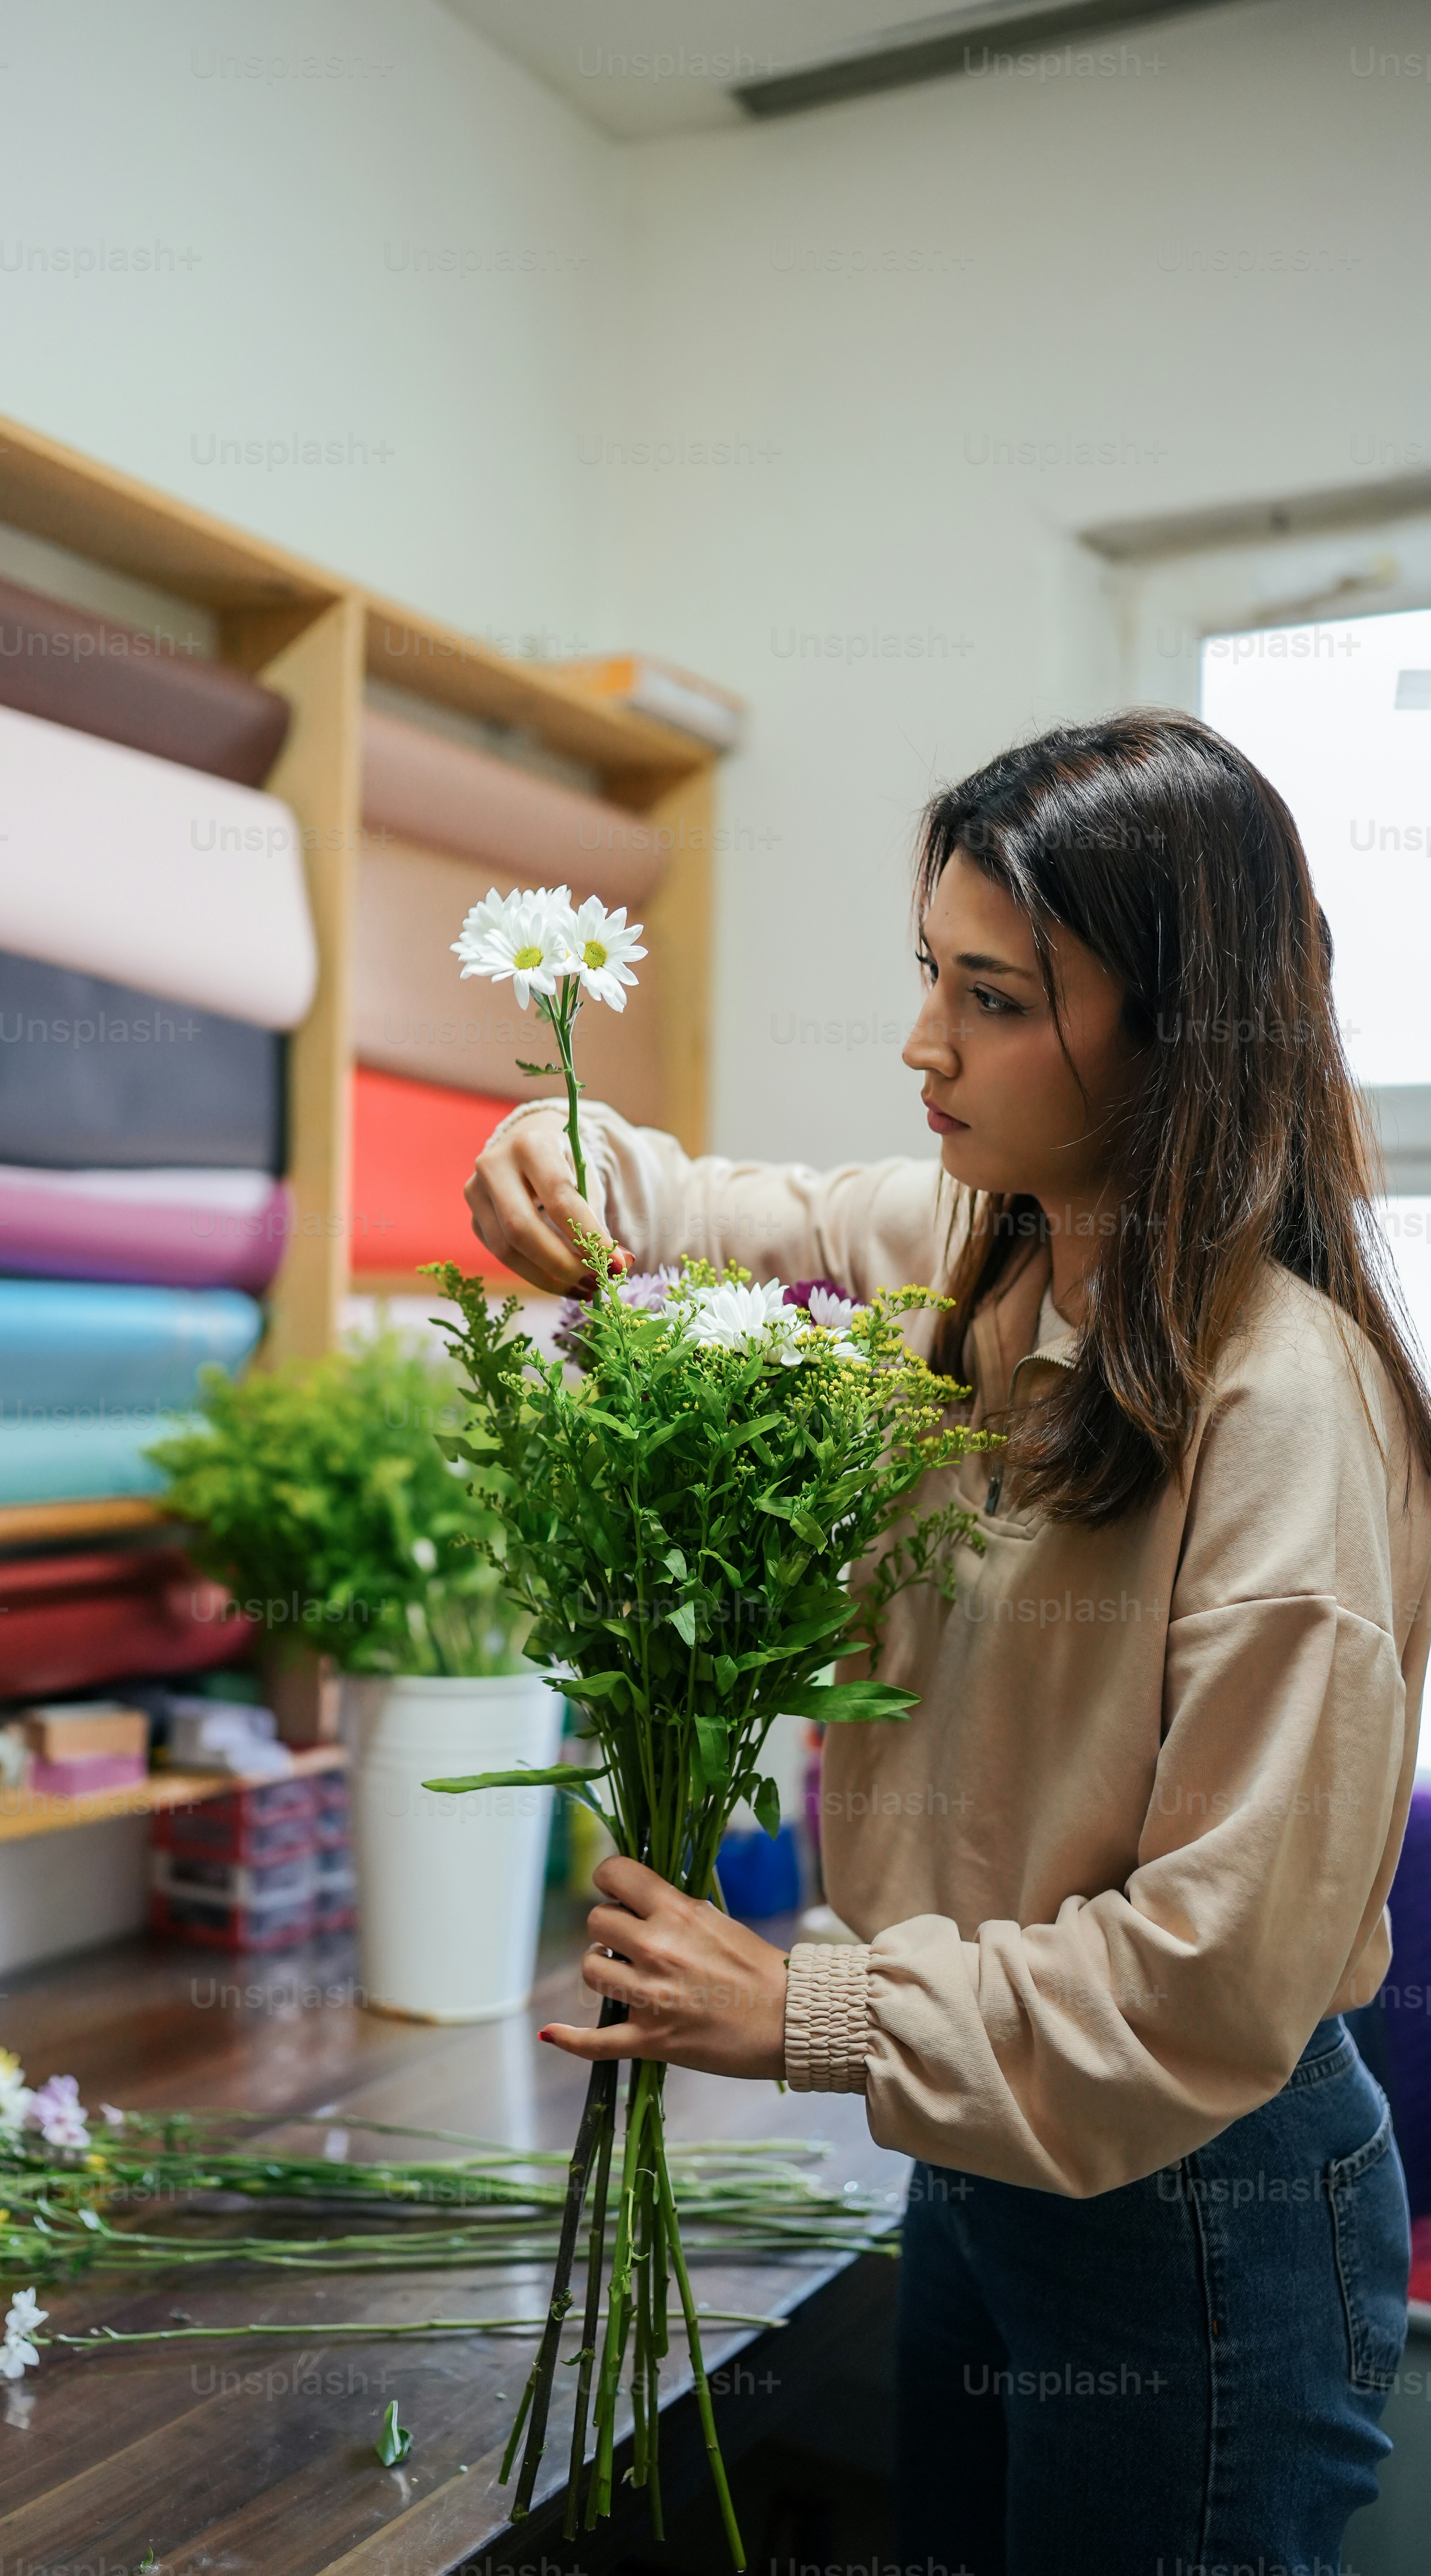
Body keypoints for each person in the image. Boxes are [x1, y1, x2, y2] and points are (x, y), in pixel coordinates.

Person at [463, 712, 1429, 2576]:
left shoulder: (1288, 1407)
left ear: (1176, 1033)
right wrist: (538, 1148)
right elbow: (691, 1203)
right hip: (984, 2151)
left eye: (992, 997)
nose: (924, 1044)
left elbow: (1211, 1982)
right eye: (932, 973)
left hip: (1199, 2203)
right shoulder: (976, 1246)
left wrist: (797, 2010)